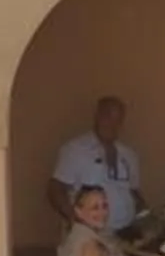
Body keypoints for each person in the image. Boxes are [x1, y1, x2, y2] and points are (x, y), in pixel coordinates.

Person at [48, 95, 144, 240]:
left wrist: (146, 218)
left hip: (126, 235)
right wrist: (75, 221)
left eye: (117, 119)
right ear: (97, 116)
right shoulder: (75, 150)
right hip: (91, 236)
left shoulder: (129, 155)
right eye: (107, 116)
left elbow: (134, 192)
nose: (111, 124)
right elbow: (55, 189)